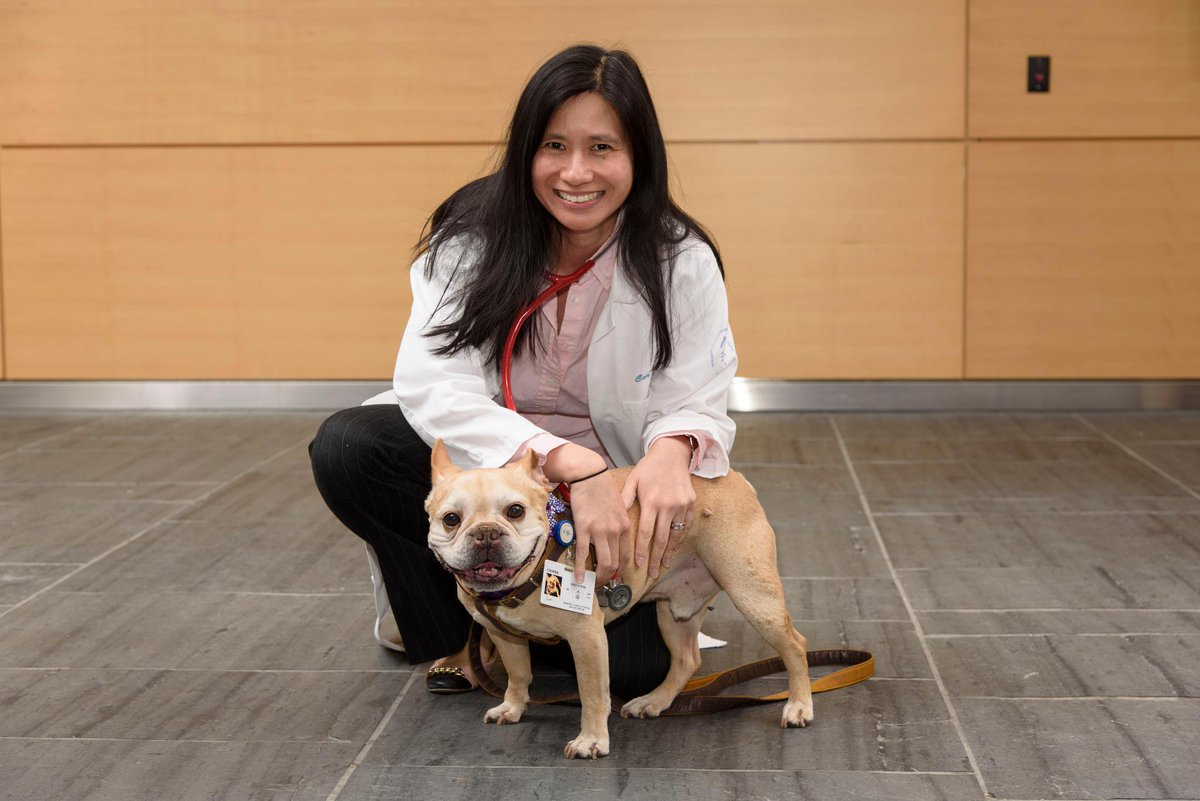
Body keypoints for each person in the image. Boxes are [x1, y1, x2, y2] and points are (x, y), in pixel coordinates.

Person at [309, 44, 737, 698]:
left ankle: (535, 626)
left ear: (640, 157)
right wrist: (565, 460)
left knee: (636, 673)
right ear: (523, 153)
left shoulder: (680, 259)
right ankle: (458, 632)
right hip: (504, 471)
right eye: (554, 146)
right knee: (349, 447)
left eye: (602, 148)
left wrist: (673, 449)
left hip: (606, 499)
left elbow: (697, 388)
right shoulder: (471, 237)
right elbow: (432, 384)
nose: (575, 172)